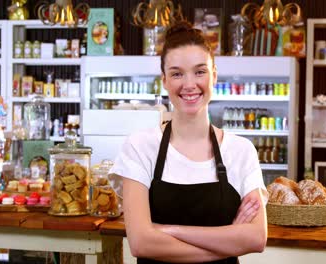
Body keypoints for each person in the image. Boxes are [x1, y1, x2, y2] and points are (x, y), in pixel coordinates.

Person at [109, 21, 267, 263]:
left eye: (200, 71)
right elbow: (140, 242)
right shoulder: (140, 147)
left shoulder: (241, 150)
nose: (189, 84)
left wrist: (167, 230)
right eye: (176, 73)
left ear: (214, 75)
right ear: (164, 80)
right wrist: (229, 241)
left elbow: (256, 238)